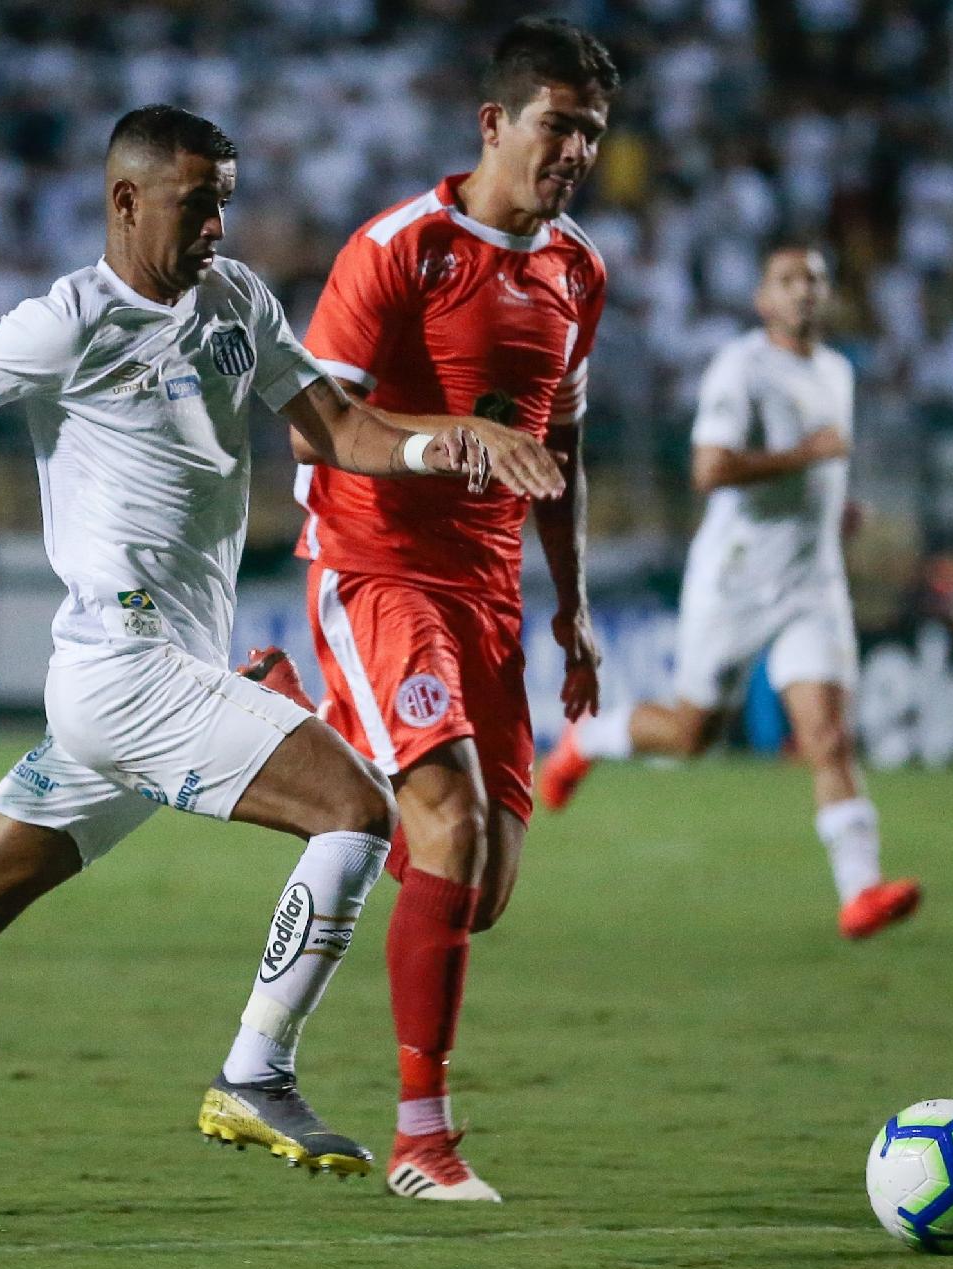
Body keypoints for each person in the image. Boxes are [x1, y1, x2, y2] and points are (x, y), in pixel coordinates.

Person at [0, 104, 566, 1199]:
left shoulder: (236, 300)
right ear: (127, 201)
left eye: (227, 197)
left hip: (154, 677)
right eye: (198, 201)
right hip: (120, 675)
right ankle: (254, 1070)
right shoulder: (66, 322)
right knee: (358, 808)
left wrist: (444, 439)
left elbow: (338, 430)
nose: (221, 221)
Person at [288, 17, 615, 1201]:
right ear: (495, 122)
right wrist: (459, 438)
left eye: (591, 130)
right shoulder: (399, 247)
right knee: (450, 824)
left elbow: (561, 446)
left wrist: (571, 607)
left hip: (491, 594)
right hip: (375, 567)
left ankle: (304, 729)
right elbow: (314, 422)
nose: (575, 148)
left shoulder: (578, 271)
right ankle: (421, 1143)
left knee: (476, 891)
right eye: (557, 124)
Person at [538, 241, 922, 942]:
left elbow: (822, 467)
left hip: (812, 580)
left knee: (829, 736)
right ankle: (589, 737)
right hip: (737, 579)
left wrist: (836, 507)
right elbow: (709, 469)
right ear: (762, 299)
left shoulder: (838, 370)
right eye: (788, 280)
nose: (804, 290)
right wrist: (806, 457)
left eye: (815, 278)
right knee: (692, 734)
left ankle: (861, 892)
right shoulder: (740, 369)